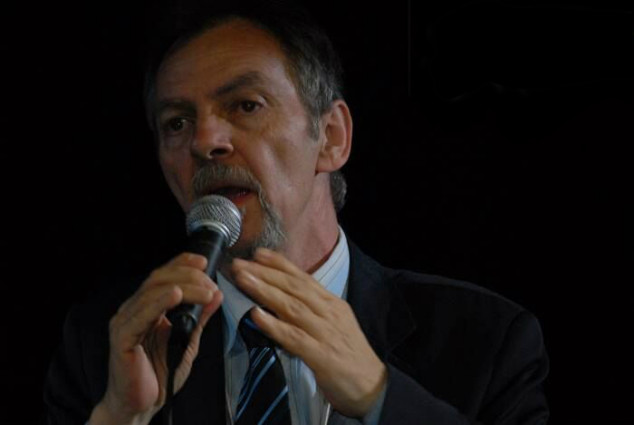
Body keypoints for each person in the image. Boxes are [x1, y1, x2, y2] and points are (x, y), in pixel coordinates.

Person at [43, 2, 549, 424]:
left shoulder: (485, 340)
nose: (204, 141)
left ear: (331, 137)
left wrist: (380, 396)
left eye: (245, 105)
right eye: (176, 122)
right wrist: (119, 417)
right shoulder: (103, 346)